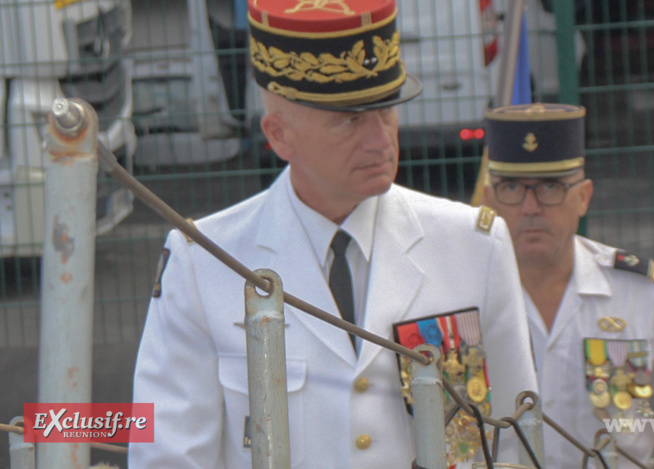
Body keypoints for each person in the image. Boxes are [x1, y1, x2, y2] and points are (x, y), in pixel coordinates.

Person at [129, 1, 538, 468]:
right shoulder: (204, 261)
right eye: (349, 119)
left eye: (387, 111)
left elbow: (517, 435)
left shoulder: (474, 246)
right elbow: (169, 454)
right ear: (279, 135)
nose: (381, 140)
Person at [481, 103, 654, 469]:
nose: (531, 207)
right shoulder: (463, 295)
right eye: (512, 187)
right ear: (489, 200)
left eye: (551, 187)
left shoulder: (636, 291)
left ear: (583, 196)